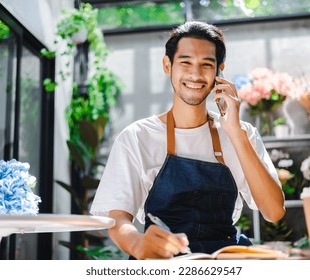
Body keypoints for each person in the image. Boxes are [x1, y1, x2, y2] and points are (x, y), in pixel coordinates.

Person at [90, 21, 285, 260]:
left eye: (207, 64)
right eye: (185, 62)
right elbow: (118, 218)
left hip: (224, 261)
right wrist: (137, 244)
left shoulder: (241, 133)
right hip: (162, 262)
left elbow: (274, 211)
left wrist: (234, 132)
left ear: (219, 71)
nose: (195, 73)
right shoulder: (137, 137)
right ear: (167, 65)